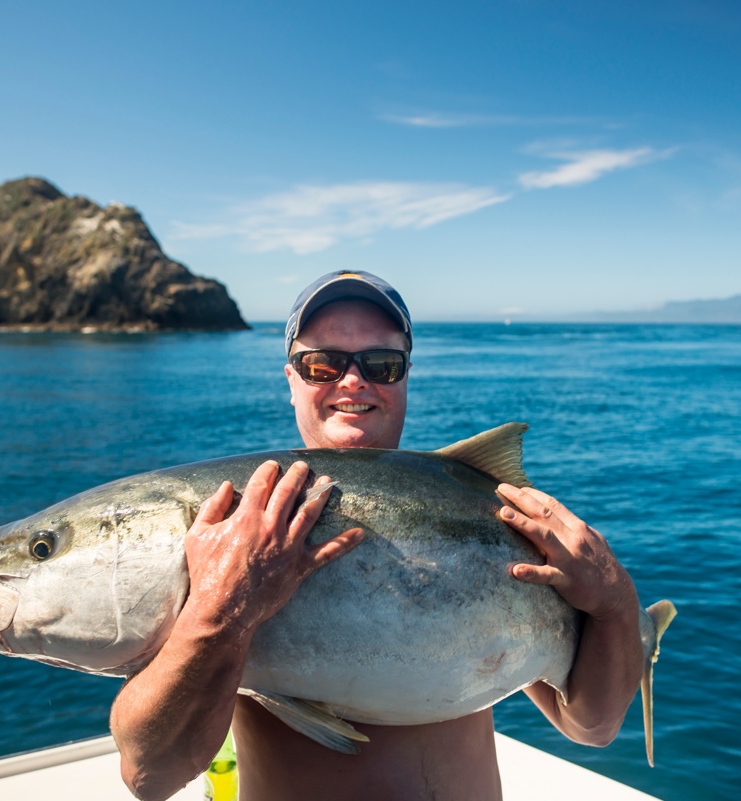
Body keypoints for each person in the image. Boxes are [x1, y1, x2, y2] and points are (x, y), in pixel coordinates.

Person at [110, 271, 644, 801]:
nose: (352, 381)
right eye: (322, 363)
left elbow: (591, 727)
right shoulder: (236, 527)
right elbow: (149, 775)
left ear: (405, 376)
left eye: (380, 364)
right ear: (290, 379)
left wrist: (615, 599)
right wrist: (224, 608)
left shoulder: (489, 515)